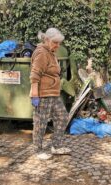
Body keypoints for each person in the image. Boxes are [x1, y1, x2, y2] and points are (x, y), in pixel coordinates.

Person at [29, 28, 71, 160]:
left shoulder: (51, 52)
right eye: (55, 42)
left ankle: (56, 146)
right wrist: (35, 95)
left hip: (53, 93)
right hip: (43, 94)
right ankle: (38, 150)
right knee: (40, 123)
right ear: (46, 40)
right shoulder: (41, 53)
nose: (57, 45)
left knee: (63, 117)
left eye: (59, 43)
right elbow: (35, 75)